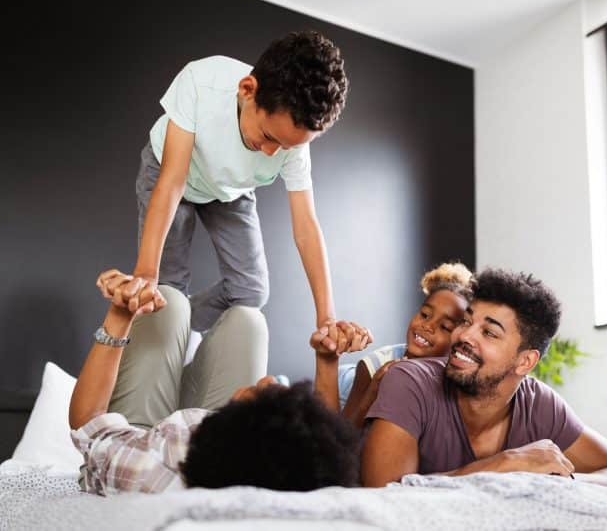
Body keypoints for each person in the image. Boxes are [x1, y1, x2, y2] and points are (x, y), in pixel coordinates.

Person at [97, 31, 348, 343]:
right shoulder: (202, 81)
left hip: (229, 189)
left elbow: (306, 227)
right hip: (172, 172)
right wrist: (147, 274)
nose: (273, 154)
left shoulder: (292, 141)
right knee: (166, 289)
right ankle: (166, 323)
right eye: (270, 137)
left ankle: (179, 328)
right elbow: (173, 182)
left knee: (252, 291)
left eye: (286, 147)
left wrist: (326, 317)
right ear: (247, 90)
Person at [69, 274, 367, 495]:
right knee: (248, 320)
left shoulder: (155, 465)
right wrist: (327, 359)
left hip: (144, 439)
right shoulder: (291, 474)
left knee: (170, 305)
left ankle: (178, 336)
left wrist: (119, 317)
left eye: (264, 394)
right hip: (226, 458)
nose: (267, 379)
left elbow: (90, 426)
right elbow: (320, 448)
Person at [361, 268, 607, 489]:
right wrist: (505, 464)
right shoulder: (409, 382)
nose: (463, 336)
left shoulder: (540, 404)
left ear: (525, 361)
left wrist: (556, 482)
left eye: (489, 333)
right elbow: (384, 493)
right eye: (466, 321)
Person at [338, 262, 472, 427]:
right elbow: (344, 435)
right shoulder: (372, 367)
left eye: (445, 327)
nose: (428, 326)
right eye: (425, 315)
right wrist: (372, 393)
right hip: (344, 389)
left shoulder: (456, 379)